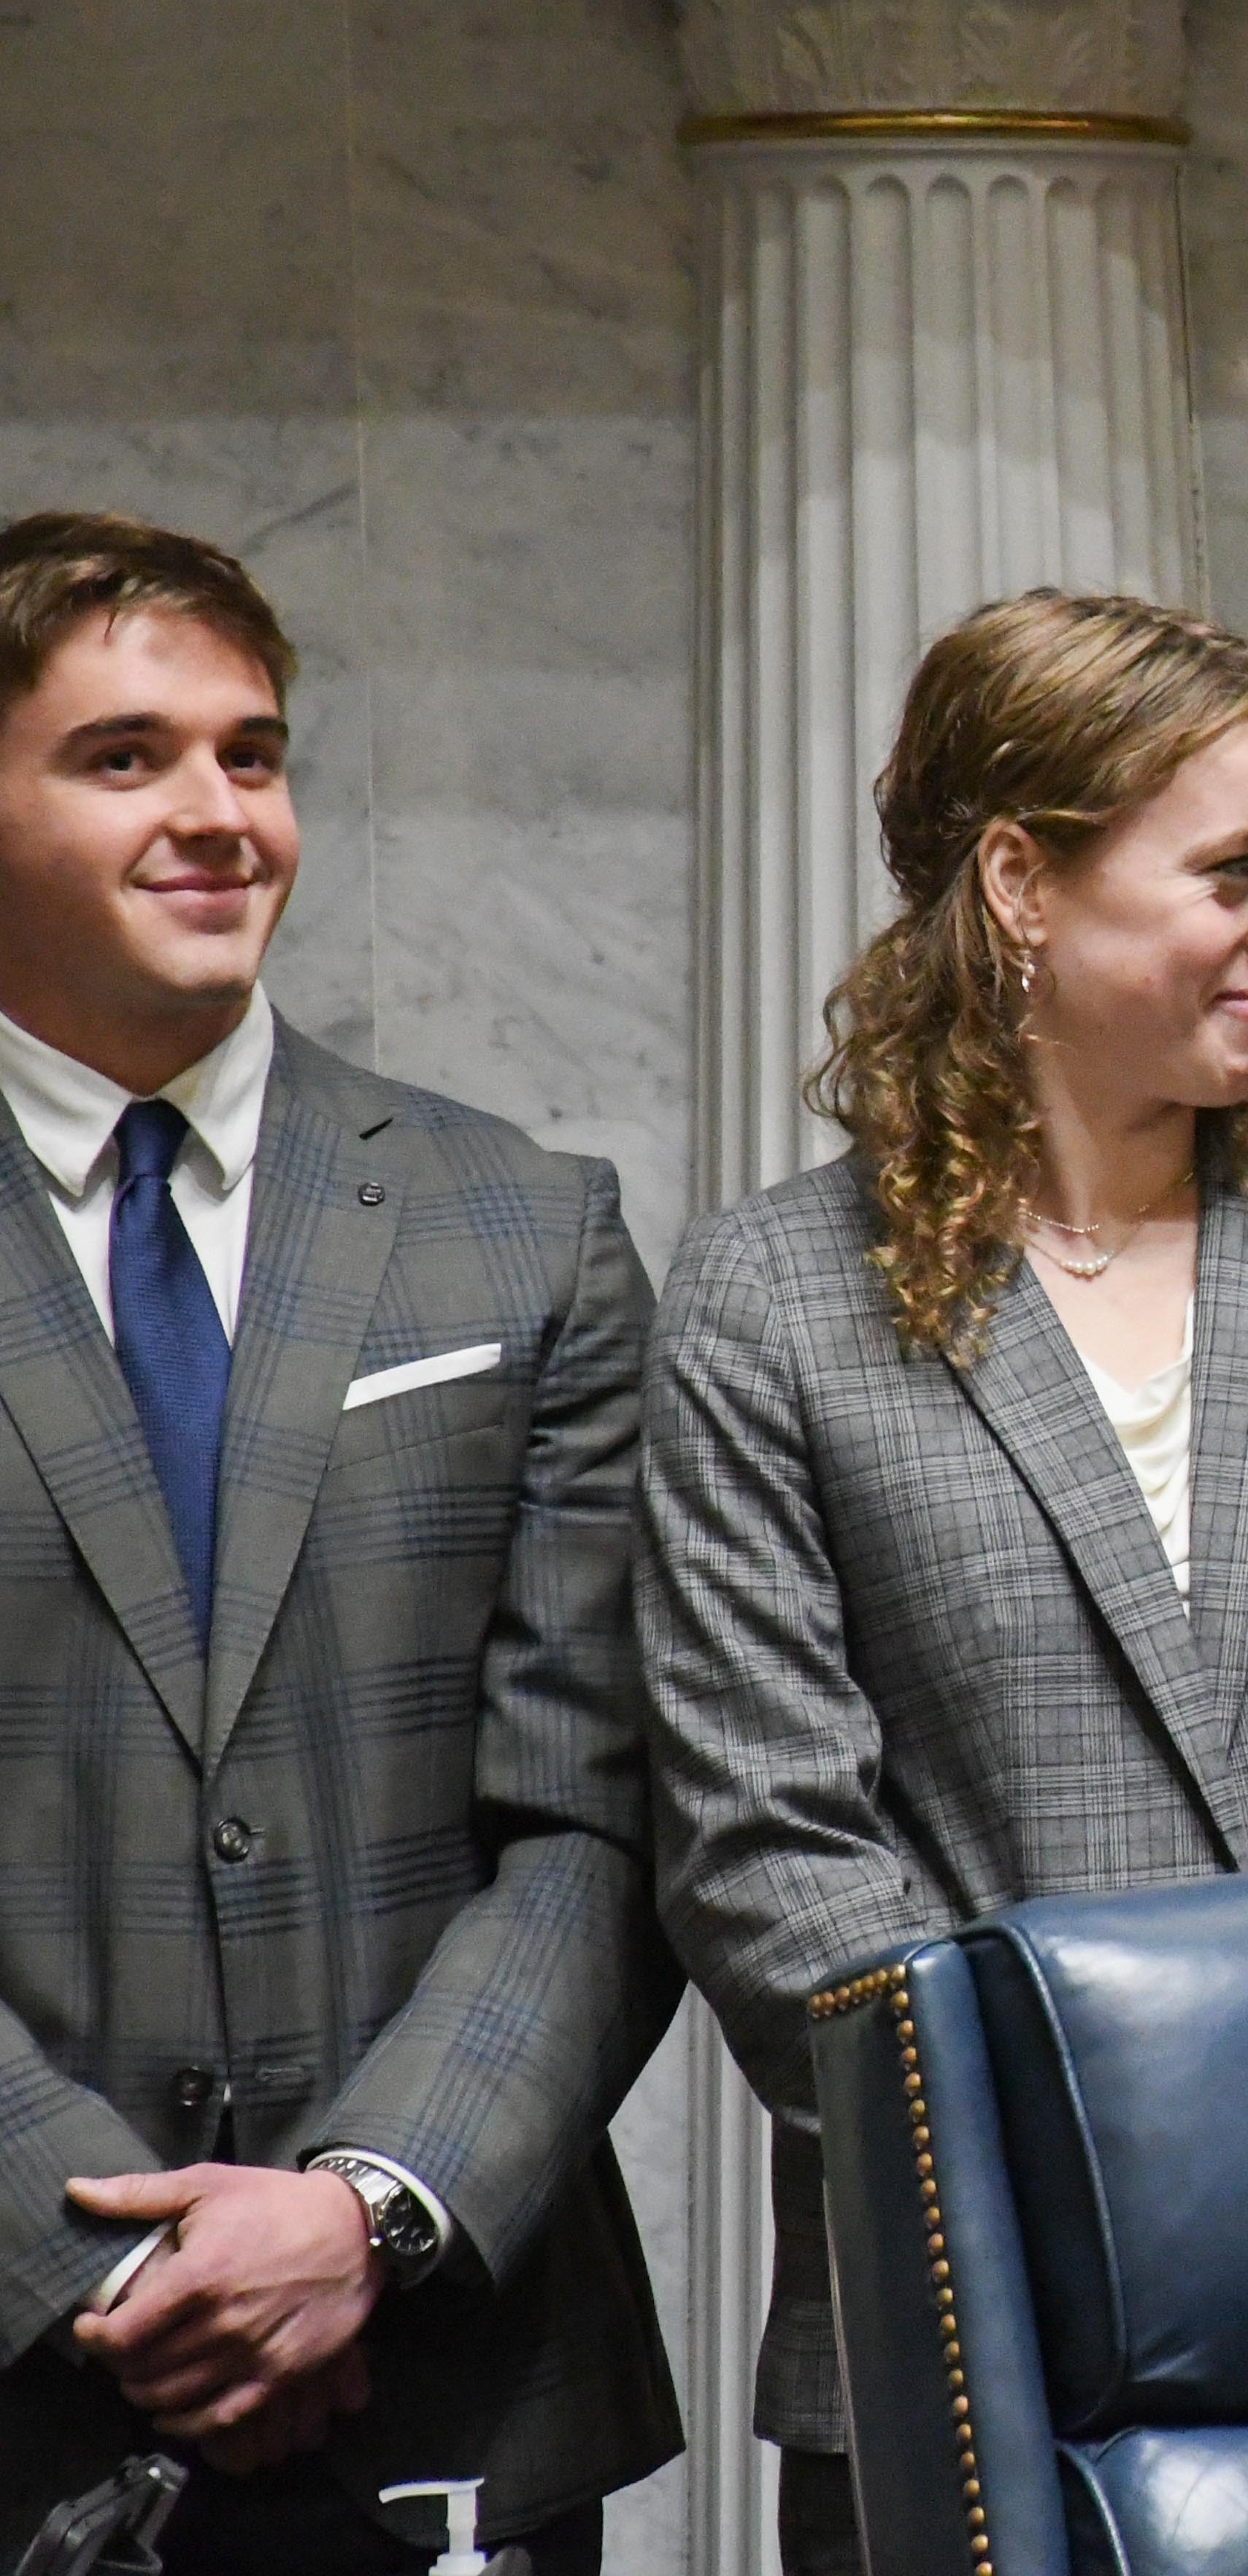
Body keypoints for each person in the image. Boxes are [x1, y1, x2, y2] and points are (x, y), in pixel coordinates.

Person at [638, 590, 1248, 2576]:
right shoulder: (774, 1296)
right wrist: (1099, 2142)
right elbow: (766, 1850)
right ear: (1021, 884)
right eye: (1233, 871)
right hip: (965, 2318)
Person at [0, 512, 678, 2571]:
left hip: (443, 2399)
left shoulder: (526, 1229)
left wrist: (367, 2207)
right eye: (124, 757)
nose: (219, 812)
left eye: (254, 752)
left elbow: (597, 1817)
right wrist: (107, 2258)